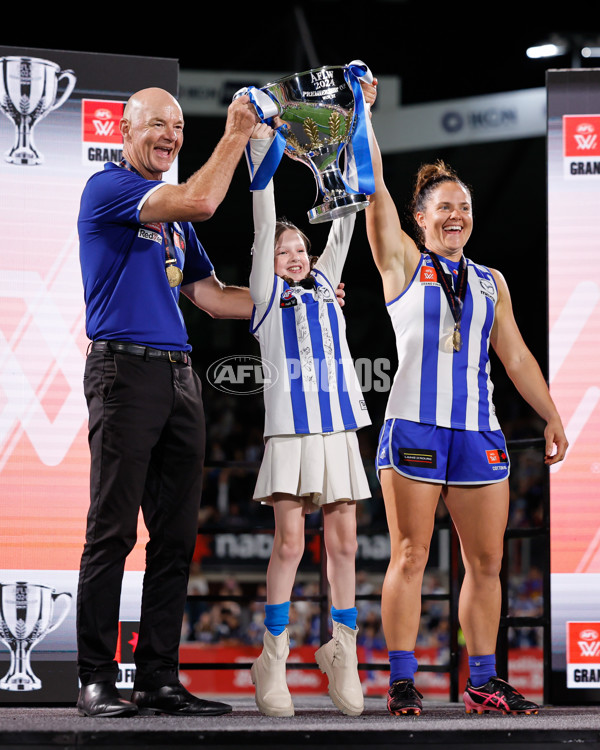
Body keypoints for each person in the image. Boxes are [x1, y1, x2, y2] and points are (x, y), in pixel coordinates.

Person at [364, 84, 568, 716]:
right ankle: (402, 680)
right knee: (411, 555)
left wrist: (552, 415)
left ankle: (483, 679)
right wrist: (364, 115)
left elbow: (516, 357)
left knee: (486, 563)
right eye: (444, 208)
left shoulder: (491, 281)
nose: (457, 215)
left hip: (479, 432)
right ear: (420, 218)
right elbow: (372, 189)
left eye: (465, 207)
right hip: (416, 427)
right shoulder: (401, 262)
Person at [76, 86, 259, 718]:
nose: (171, 136)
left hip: (181, 379)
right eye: (158, 125)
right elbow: (206, 198)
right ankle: (96, 677)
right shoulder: (109, 189)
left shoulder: (173, 221)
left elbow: (213, 297)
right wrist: (235, 132)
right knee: (112, 529)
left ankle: (157, 678)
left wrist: (297, 295)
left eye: (178, 127)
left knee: (177, 539)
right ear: (125, 130)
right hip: (123, 372)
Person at [244, 107, 375, 718]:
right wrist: (260, 147)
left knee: (345, 544)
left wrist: (360, 118)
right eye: (285, 249)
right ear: (268, 260)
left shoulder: (326, 283)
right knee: (291, 543)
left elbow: (346, 215)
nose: (295, 254)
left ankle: (341, 651)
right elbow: (263, 214)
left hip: (339, 427)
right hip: (291, 430)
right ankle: (272, 657)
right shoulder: (266, 298)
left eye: (302, 247)